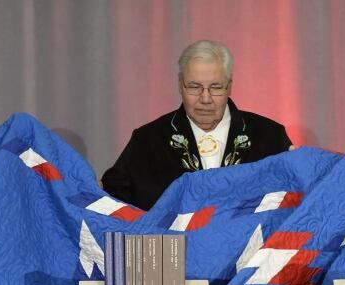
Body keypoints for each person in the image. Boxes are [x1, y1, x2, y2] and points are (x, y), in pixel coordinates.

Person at [101, 39, 293, 210]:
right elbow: (111, 202)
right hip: (173, 250)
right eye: (194, 87)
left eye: (216, 87)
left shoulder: (270, 137)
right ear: (180, 85)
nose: (206, 98)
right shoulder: (147, 141)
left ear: (229, 86)